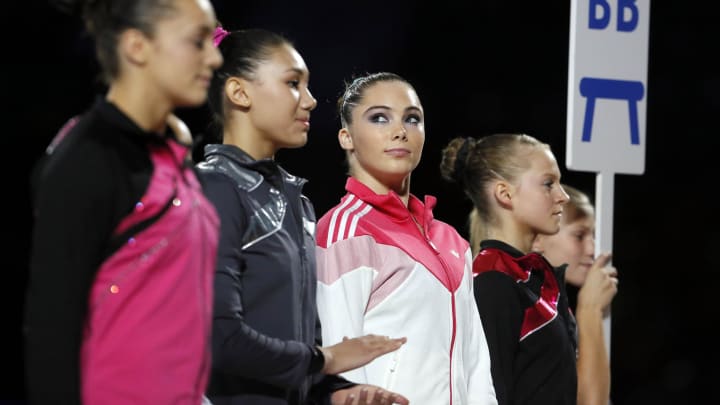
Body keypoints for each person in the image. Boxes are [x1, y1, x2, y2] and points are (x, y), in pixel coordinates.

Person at [195, 28, 410, 405]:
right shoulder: (213, 189)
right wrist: (325, 360)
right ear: (239, 92)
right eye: (293, 83)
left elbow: (298, 348)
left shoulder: (297, 201)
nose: (311, 101)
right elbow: (218, 336)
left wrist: (337, 394)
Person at [24, 0, 223, 404]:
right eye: (198, 41)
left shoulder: (171, 153)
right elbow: (51, 332)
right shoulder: (86, 160)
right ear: (137, 47)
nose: (215, 56)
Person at [315, 72, 497, 404]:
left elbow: (477, 363)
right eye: (379, 118)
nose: (400, 131)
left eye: (412, 119)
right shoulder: (346, 230)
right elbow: (342, 371)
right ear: (346, 137)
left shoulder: (451, 240)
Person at [440, 133, 577, 404]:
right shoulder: (492, 281)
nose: (563, 197)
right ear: (505, 194)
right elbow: (491, 394)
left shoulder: (537, 274)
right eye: (549, 184)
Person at [532, 184, 619, 405]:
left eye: (594, 236)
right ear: (538, 239)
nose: (592, 249)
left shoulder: (556, 307)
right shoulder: (530, 313)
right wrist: (590, 310)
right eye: (580, 235)